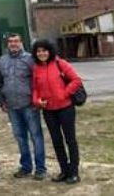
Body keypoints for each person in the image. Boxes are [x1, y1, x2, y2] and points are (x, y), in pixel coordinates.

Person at [32, 39, 83, 184]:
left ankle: (74, 172)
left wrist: (64, 94)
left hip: (65, 108)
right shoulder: (36, 68)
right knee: (56, 141)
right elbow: (35, 88)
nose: (42, 53)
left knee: (70, 140)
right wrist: (36, 101)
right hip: (48, 110)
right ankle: (64, 170)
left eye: (44, 50)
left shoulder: (60, 63)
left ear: (50, 51)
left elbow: (76, 80)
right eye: (39, 51)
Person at [0, 33, 47, 180]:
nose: (13, 44)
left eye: (16, 41)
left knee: (36, 137)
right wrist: (2, 101)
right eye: (11, 41)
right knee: (20, 137)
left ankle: (40, 169)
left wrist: (37, 100)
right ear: (7, 43)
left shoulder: (31, 59)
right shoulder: (2, 61)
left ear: (21, 42)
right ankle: (26, 167)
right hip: (12, 106)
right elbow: (0, 83)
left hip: (29, 105)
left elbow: (39, 80)